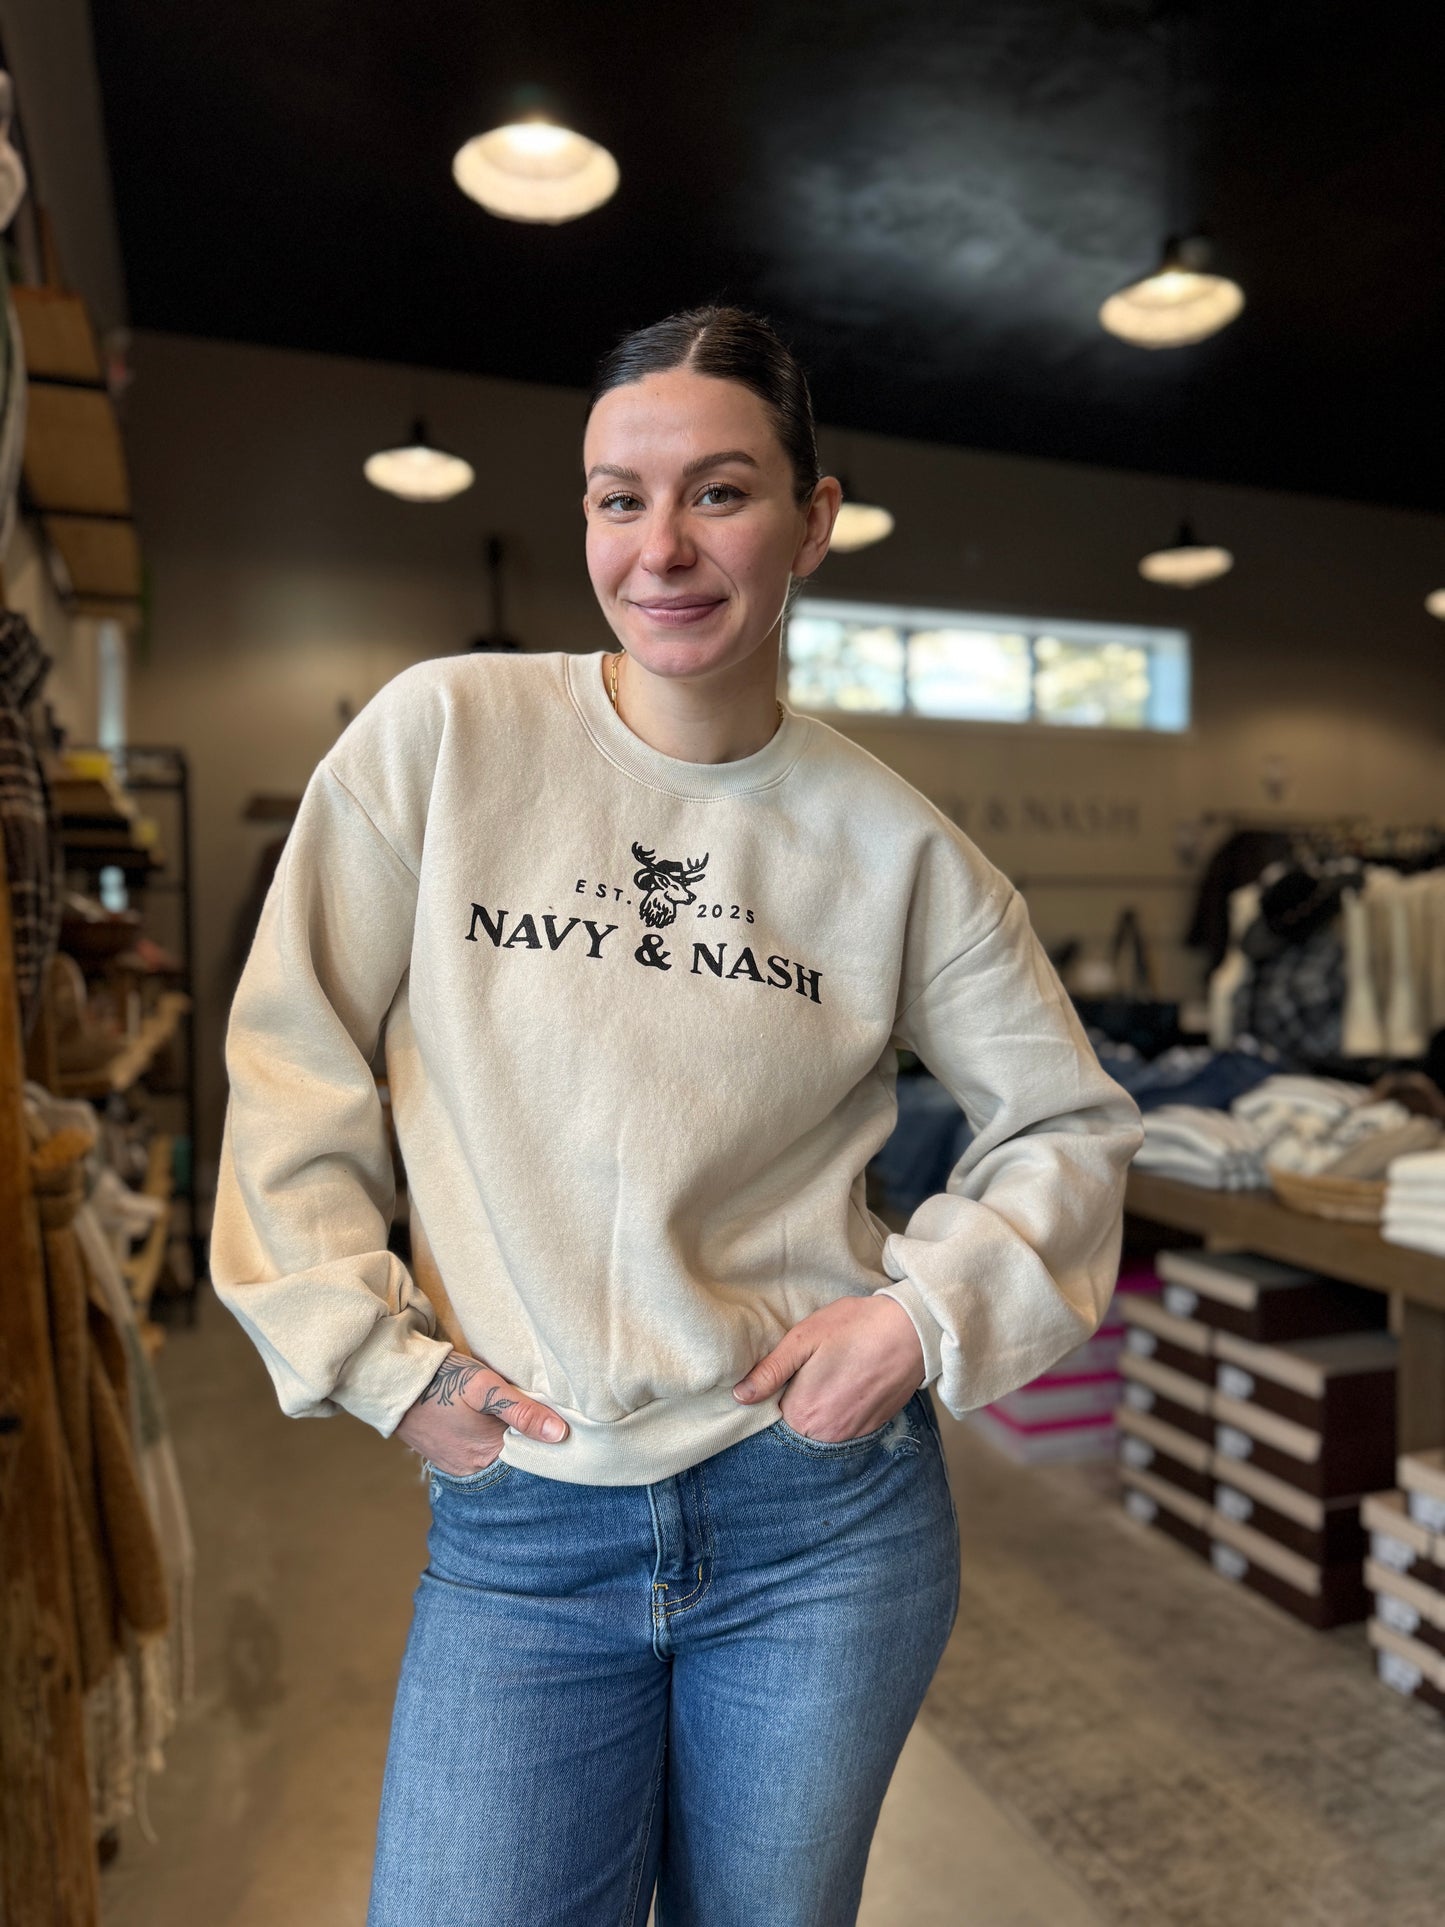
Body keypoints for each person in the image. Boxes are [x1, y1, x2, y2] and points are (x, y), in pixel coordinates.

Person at [210, 305, 1145, 1927]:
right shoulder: (442, 740)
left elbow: (1067, 1124)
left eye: (718, 493)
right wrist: (376, 1360)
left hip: (815, 1530)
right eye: (614, 496)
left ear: (812, 520)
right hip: (523, 1526)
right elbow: (293, 1055)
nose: (660, 549)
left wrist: (914, 1322)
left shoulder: (892, 847)